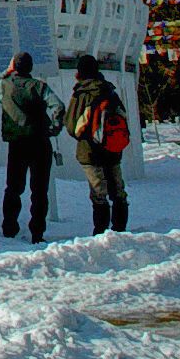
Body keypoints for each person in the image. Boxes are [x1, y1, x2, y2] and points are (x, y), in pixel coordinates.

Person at [0, 51, 65, 243]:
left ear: (14, 67)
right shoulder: (39, 87)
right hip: (40, 142)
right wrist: (54, 128)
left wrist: (6, 72)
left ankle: (9, 228)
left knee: (13, 188)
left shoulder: (5, 87)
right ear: (31, 68)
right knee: (39, 190)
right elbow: (58, 106)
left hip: (17, 144)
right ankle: (37, 233)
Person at [66, 52, 131, 234]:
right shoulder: (110, 91)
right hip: (112, 148)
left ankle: (101, 230)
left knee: (98, 192)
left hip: (89, 151)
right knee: (118, 190)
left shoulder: (81, 94)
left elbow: (72, 126)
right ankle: (120, 228)